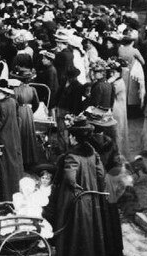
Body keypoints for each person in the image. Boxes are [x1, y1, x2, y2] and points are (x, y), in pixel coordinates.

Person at [42, 117, 107, 256]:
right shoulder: (92, 152)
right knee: (90, 226)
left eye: (70, 136)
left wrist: (75, 186)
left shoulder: (72, 155)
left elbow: (70, 177)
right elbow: (101, 174)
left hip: (75, 197)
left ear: (74, 138)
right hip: (91, 196)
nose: (69, 138)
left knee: (73, 227)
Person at [0, 79, 23, 202]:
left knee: (4, 167)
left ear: (4, 92)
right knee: (14, 165)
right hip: (13, 137)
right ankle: (16, 192)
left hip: (2, 140)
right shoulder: (13, 102)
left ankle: (5, 195)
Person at [10, 67, 42, 168]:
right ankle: (30, 158)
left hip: (19, 111)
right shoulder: (32, 89)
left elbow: (13, 103)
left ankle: (21, 158)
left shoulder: (15, 90)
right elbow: (36, 103)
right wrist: (30, 111)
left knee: (20, 133)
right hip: (28, 111)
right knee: (29, 134)